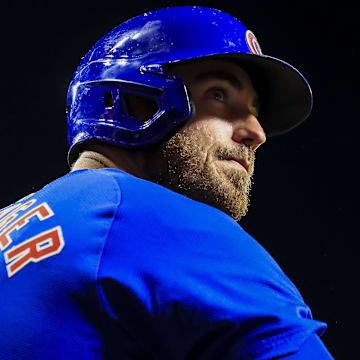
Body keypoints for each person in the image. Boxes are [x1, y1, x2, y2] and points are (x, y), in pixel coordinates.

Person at [0, 6, 333, 360]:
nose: (257, 133)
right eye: (219, 95)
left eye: (255, 111)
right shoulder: (166, 224)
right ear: (135, 102)